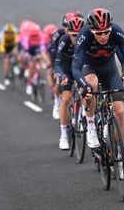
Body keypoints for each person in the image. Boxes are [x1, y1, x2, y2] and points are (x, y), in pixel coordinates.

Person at [72, 8, 124, 179]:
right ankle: (91, 126)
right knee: (93, 85)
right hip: (89, 68)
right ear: (92, 30)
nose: (103, 36)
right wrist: (84, 85)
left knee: (120, 111)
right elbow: (76, 67)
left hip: (109, 71)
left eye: (106, 32)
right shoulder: (84, 35)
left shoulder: (117, 32)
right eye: (99, 33)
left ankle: (119, 157)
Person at [54, 17, 85, 150]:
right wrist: (61, 75)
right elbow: (58, 63)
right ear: (68, 33)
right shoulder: (64, 41)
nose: (76, 38)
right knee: (66, 98)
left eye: (79, 35)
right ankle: (64, 135)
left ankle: (84, 115)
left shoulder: (86, 40)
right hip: (67, 69)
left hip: (81, 69)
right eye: (73, 35)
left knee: (87, 91)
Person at [50, 12, 83, 120]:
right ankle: (56, 102)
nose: (66, 30)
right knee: (64, 93)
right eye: (65, 27)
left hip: (78, 65)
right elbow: (54, 53)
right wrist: (55, 70)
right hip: (63, 62)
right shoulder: (60, 36)